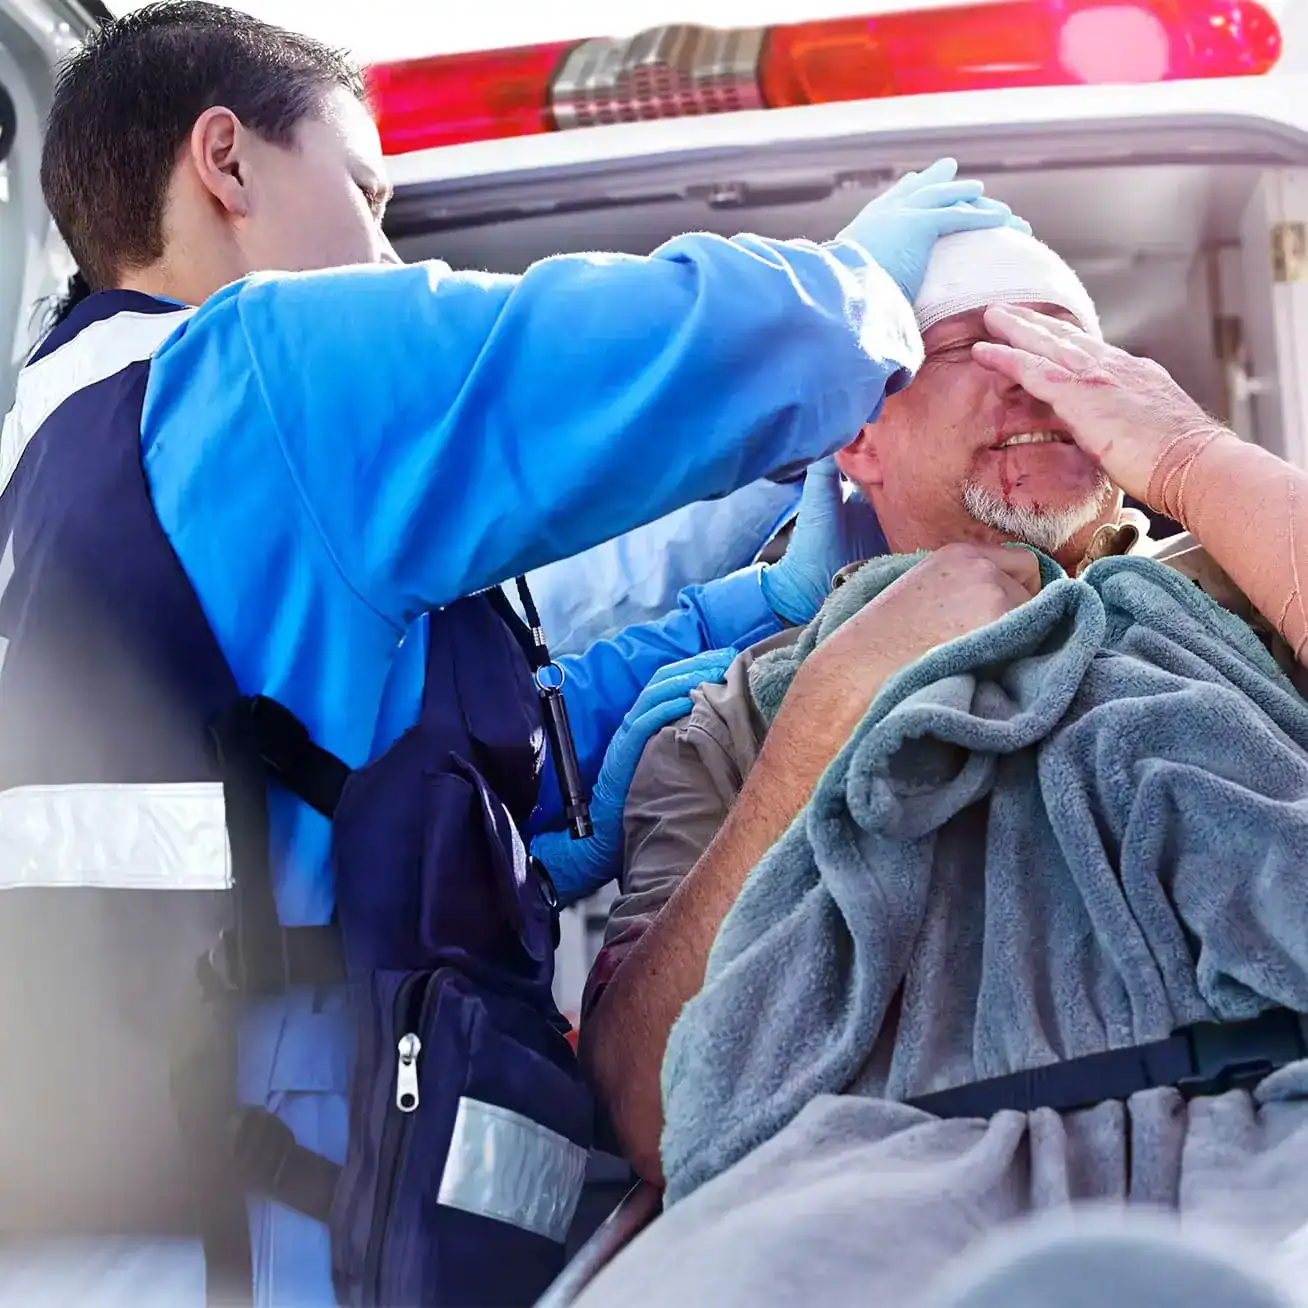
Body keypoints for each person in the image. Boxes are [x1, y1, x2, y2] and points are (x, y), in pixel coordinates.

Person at [0, 1, 1029, 1304]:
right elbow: (610, 351)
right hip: (267, 1249)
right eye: (364, 191)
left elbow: (354, 763)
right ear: (228, 162)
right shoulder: (260, 368)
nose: (386, 247)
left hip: (165, 1219)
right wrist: (855, 295)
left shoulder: (63, 450)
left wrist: (756, 609)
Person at [580, 224, 1308, 1182]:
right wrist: (834, 703)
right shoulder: (734, 721)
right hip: (903, 1201)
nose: (1033, 377)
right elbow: (647, 1109)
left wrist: (1190, 456)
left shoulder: (1251, 583)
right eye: (974, 344)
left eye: (1064, 346)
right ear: (860, 438)